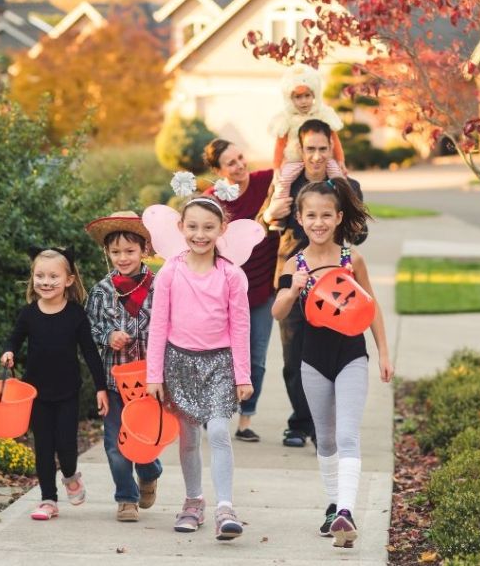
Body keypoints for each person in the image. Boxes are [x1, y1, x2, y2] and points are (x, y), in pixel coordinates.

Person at [271, 179, 393, 548]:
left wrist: (384, 353)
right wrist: (293, 289)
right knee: (324, 439)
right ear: (300, 218)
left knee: (347, 435)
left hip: (351, 355)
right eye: (312, 216)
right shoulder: (294, 262)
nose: (319, 222)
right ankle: (332, 507)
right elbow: (278, 312)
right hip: (313, 359)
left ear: (339, 217)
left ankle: (346, 511)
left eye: (327, 215)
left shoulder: (351, 259)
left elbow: (371, 309)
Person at [145, 195, 253, 540]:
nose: (200, 234)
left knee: (219, 432)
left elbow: (240, 326)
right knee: (189, 439)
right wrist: (154, 374)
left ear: (222, 229)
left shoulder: (231, 275)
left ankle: (225, 508)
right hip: (180, 364)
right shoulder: (170, 273)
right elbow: (158, 325)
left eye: (208, 227)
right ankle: (193, 502)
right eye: (192, 226)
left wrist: (242, 374)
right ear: (181, 228)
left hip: (220, 364)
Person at [260, 119, 367, 448]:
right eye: (311, 149)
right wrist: (269, 215)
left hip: (335, 283)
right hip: (294, 276)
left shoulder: (347, 185)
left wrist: (346, 210)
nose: (317, 156)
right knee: (294, 357)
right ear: (300, 149)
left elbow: (360, 235)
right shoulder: (285, 185)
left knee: (333, 354)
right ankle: (300, 423)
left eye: (324, 149)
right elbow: (262, 225)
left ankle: (327, 422)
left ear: (331, 149)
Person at [1, 247, 109, 521]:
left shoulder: (75, 315)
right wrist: (8, 352)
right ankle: (48, 499)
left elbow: (90, 353)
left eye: (53, 277)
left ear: (69, 280)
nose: (46, 282)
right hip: (36, 393)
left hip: (68, 392)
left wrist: (101, 387)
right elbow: (13, 338)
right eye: (40, 276)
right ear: (32, 278)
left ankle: (71, 474)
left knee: (67, 446)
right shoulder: (29, 314)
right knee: (44, 448)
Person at [84, 211, 163, 523]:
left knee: (143, 439)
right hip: (115, 383)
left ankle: (149, 471)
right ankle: (126, 498)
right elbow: (88, 329)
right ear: (107, 253)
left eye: (130, 251)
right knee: (116, 443)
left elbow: (168, 328)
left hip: (148, 384)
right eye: (115, 252)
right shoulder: (101, 291)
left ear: (144, 249)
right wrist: (108, 335)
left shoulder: (159, 287)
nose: (123, 257)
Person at [203, 138, 280, 442]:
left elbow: (292, 166)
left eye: (240, 158)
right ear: (219, 170)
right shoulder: (213, 200)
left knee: (256, 359)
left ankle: (246, 420)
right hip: (225, 293)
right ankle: (216, 412)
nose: (239, 166)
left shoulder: (266, 181)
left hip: (262, 289)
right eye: (231, 163)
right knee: (222, 358)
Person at [267, 64, 346, 230]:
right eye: (298, 97)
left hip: (327, 162)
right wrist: (276, 167)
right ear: (290, 98)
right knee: (283, 180)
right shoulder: (287, 118)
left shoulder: (323, 113)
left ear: (314, 95)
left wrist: (340, 160)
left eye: (307, 96)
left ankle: (344, 205)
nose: (303, 101)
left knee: (337, 175)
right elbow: (280, 145)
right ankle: (279, 215)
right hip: (294, 160)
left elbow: (335, 139)